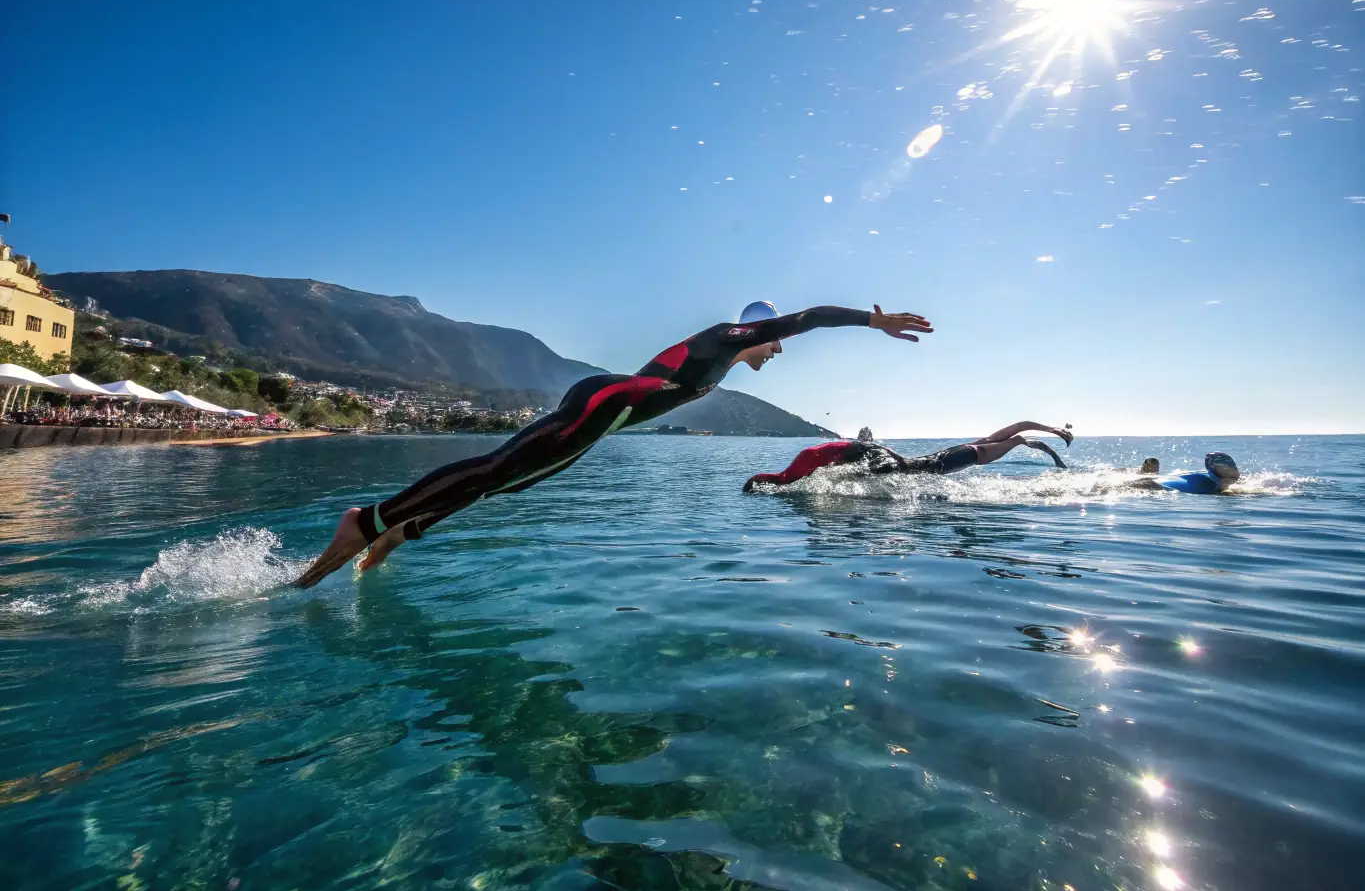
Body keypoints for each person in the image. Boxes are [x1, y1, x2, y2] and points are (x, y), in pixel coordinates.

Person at [296, 301, 934, 587]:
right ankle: (368, 519)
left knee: (512, 481)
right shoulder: (728, 335)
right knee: (498, 467)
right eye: (774, 342)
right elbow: (807, 317)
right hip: (609, 401)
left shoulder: (722, 362)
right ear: (756, 331)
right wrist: (869, 321)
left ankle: (397, 533)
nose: (779, 349)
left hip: (608, 412)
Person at [742, 420, 1073, 492]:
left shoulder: (985, 449)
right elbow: (1017, 429)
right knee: (914, 468)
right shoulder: (978, 451)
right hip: (951, 455)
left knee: (913, 467)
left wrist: (1048, 445)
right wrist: (1054, 440)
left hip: (951, 453)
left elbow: (1018, 433)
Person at [1133, 451, 1240, 494]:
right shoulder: (1209, 487)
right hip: (1156, 485)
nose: (1233, 474)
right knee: (1145, 483)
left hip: (1168, 481)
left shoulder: (1210, 480)